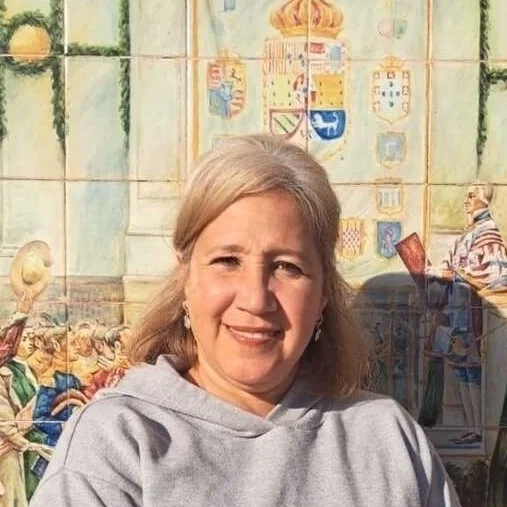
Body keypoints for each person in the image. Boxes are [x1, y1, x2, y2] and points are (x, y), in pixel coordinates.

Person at [30, 135, 461, 506]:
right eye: (227, 261)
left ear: (323, 295)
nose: (255, 299)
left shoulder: (388, 440)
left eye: (287, 267)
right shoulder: (117, 443)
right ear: (186, 279)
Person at [425, 182, 507, 445]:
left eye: (472, 196)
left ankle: (479, 431)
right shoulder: (467, 233)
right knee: (461, 369)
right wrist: (439, 272)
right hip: (456, 311)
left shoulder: (488, 234)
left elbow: (497, 277)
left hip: (474, 313)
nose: (466, 200)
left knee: (472, 370)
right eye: (467, 195)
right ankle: (472, 429)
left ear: (485, 200)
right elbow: (452, 267)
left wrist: (453, 274)